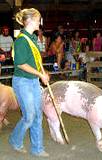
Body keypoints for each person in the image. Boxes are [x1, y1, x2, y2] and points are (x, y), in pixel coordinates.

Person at [9, 8, 49, 157]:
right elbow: (20, 64)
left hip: (32, 81)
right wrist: (40, 74)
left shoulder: (32, 38)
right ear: (31, 20)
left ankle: (37, 148)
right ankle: (14, 140)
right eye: (38, 19)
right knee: (29, 116)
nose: (40, 22)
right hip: (22, 82)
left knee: (38, 114)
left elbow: (36, 60)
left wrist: (42, 71)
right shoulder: (21, 40)